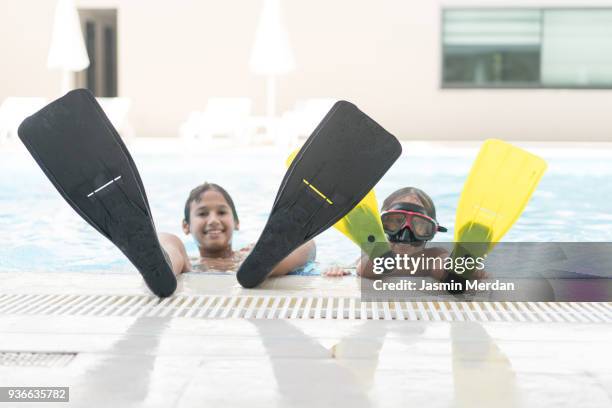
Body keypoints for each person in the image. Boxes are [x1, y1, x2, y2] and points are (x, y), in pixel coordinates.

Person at [325, 187, 488, 281]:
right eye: (395, 222)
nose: (405, 233)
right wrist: (337, 269)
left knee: (445, 267)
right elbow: (361, 268)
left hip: (438, 263)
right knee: (371, 261)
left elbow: (441, 263)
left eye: (419, 226)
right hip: (376, 258)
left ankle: (460, 263)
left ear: (431, 232)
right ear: (379, 227)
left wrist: (466, 267)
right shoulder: (372, 253)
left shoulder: (433, 255)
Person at [158, 182, 315, 276]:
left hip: (253, 266)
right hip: (181, 267)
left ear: (236, 222)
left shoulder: (248, 254)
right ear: (186, 226)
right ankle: (164, 267)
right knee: (169, 240)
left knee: (304, 243)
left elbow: (309, 248)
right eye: (203, 213)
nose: (213, 220)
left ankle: (266, 266)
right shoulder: (188, 263)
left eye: (221, 212)